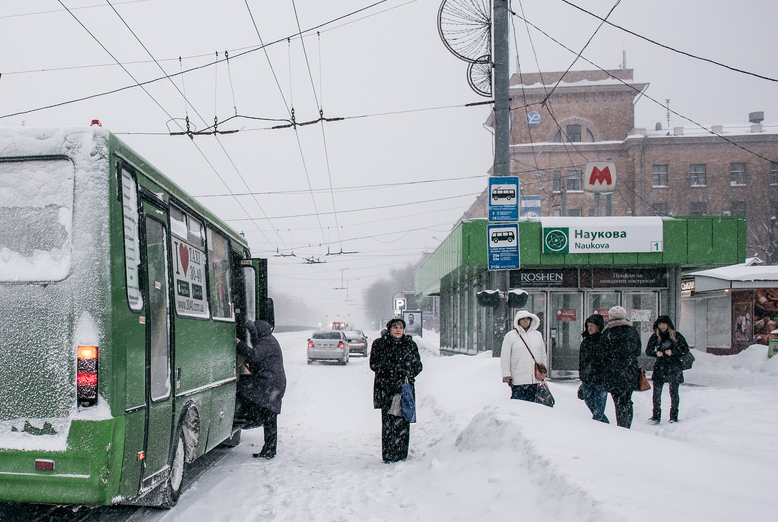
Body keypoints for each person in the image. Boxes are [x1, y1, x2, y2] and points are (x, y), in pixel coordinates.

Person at [369, 318, 423, 463]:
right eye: (395, 327)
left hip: (404, 389)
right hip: (386, 389)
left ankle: (401, 454)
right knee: (388, 423)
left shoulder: (410, 345)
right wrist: (393, 371)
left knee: (404, 421)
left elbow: (418, 365)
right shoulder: (380, 344)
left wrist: (407, 374)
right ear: (389, 329)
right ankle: (388, 455)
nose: (398, 330)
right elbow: (374, 364)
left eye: (400, 327)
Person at [236, 319, 287, 459]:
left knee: (243, 390)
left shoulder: (267, 342)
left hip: (270, 384)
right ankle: (269, 449)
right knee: (269, 417)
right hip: (272, 383)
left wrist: (239, 343)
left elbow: (254, 355)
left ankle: (250, 419)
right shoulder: (268, 340)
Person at [601, 306, 641, 428]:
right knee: (627, 399)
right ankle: (627, 423)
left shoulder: (608, 332)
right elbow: (637, 350)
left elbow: (603, 353)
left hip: (614, 372)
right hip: (630, 370)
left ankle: (622, 425)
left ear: (611, 317)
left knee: (618, 400)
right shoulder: (632, 331)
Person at [645, 315, 690, 423]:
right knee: (657, 393)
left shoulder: (676, 335)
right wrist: (656, 353)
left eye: (664, 324)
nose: (662, 326)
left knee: (673, 392)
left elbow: (685, 349)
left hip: (673, 366)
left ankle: (673, 416)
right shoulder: (655, 336)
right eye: (660, 324)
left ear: (668, 324)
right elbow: (648, 351)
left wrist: (673, 352)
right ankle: (656, 415)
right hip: (660, 366)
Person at [501, 310, 548, 402]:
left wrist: (543, 370)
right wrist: (506, 374)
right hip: (518, 378)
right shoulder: (510, 336)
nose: (526, 321)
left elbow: (543, 354)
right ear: (518, 321)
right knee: (518, 403)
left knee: (532, 404)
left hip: (534, 378)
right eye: (523, 319)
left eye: (528, 319)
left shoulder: (537, 335)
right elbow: (505, 356)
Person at [578, 314, 609, 423]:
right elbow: (582, 360)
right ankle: (604, 424)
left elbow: (606, 359)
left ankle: (598, 427)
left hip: (600, 379)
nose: (590, 328)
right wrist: (582, 375)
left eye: (592, 326)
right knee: (589, 402)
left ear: (598, 327)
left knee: (598, 409)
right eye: (588, 325)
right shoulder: (585, 342)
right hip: (587, 378)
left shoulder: (604, 341)